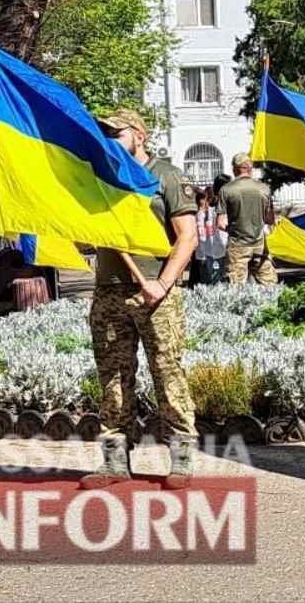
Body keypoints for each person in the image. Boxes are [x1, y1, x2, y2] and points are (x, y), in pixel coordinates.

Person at [82, 110, 199, 491]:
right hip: (109, 291)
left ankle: (180, 460)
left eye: (117, 133)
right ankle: (115, 463)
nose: (111, 139)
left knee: (168, 375)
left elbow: (187, 237)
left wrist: (163, 283)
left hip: (156, 295)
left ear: (139, 134)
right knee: (113, 380)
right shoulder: (101, 179)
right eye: (107, 134)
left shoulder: (166, 176)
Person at [220, 153, 278, 285]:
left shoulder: (226, 190)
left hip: (237, 246)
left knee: (235, 289)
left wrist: (234, 229)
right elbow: (270, 219)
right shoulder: (264, 189)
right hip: (260, 245)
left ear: (235, 169)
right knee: (270, 285)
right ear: (250, 168)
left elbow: (220, 223)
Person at [191, 186, 227, 286]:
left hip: (211, 251)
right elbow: (202, 233)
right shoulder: (202, 214)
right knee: (209, 277)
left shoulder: (209, 213)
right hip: (208, 251)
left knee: (212, 277)